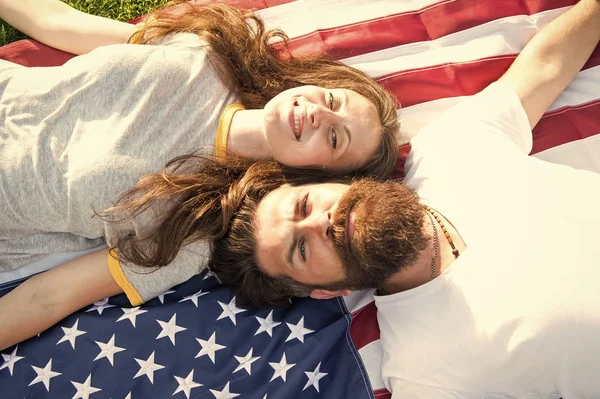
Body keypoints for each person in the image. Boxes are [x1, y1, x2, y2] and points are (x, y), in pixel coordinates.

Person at [204, 0, 600, 397]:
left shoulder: (449, 150)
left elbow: (547, 64)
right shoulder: (428, 374)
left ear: (331, 180)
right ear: (327, 291)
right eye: (301, 249)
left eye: (305, 206)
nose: (318, 223)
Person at [0, 0, 398, 341]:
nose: (319, 114)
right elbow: (57, 22)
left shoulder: (194, 229)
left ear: (315, 175)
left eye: (334, 138)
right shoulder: (205, 55)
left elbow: (49, 297)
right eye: (333, 99)